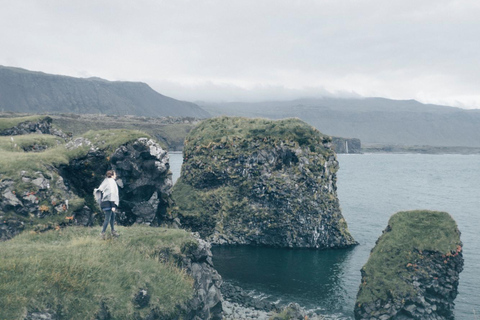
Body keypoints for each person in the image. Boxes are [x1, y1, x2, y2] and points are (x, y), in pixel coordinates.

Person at [97, 170, 120, 239]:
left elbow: (100, 190)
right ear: (112, 175)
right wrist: (113, 205)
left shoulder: (106, 181)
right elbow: (111, 193)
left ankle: (113, 231)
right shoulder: (111, 182)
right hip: (109, 203)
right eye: (115, 174)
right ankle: (102, 233)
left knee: (112, 216)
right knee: (108, 218)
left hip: (105, 202)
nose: (116, 175)